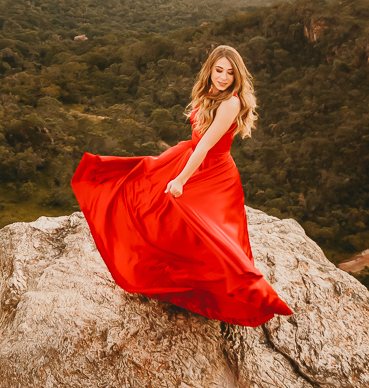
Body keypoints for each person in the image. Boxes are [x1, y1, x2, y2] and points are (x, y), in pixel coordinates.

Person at [71, 44, 293, 326]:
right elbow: (196, 142)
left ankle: (255, 297)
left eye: (229, 73)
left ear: (237, 76)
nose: (223, 77)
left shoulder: (231, 103)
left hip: (214, 173)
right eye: (218, 70)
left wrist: (180, 180)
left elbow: (206, 146)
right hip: (191, 157)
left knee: (214, 241)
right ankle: (164, 277)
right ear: (210, 70)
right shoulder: (211, 93)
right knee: (142, 189)